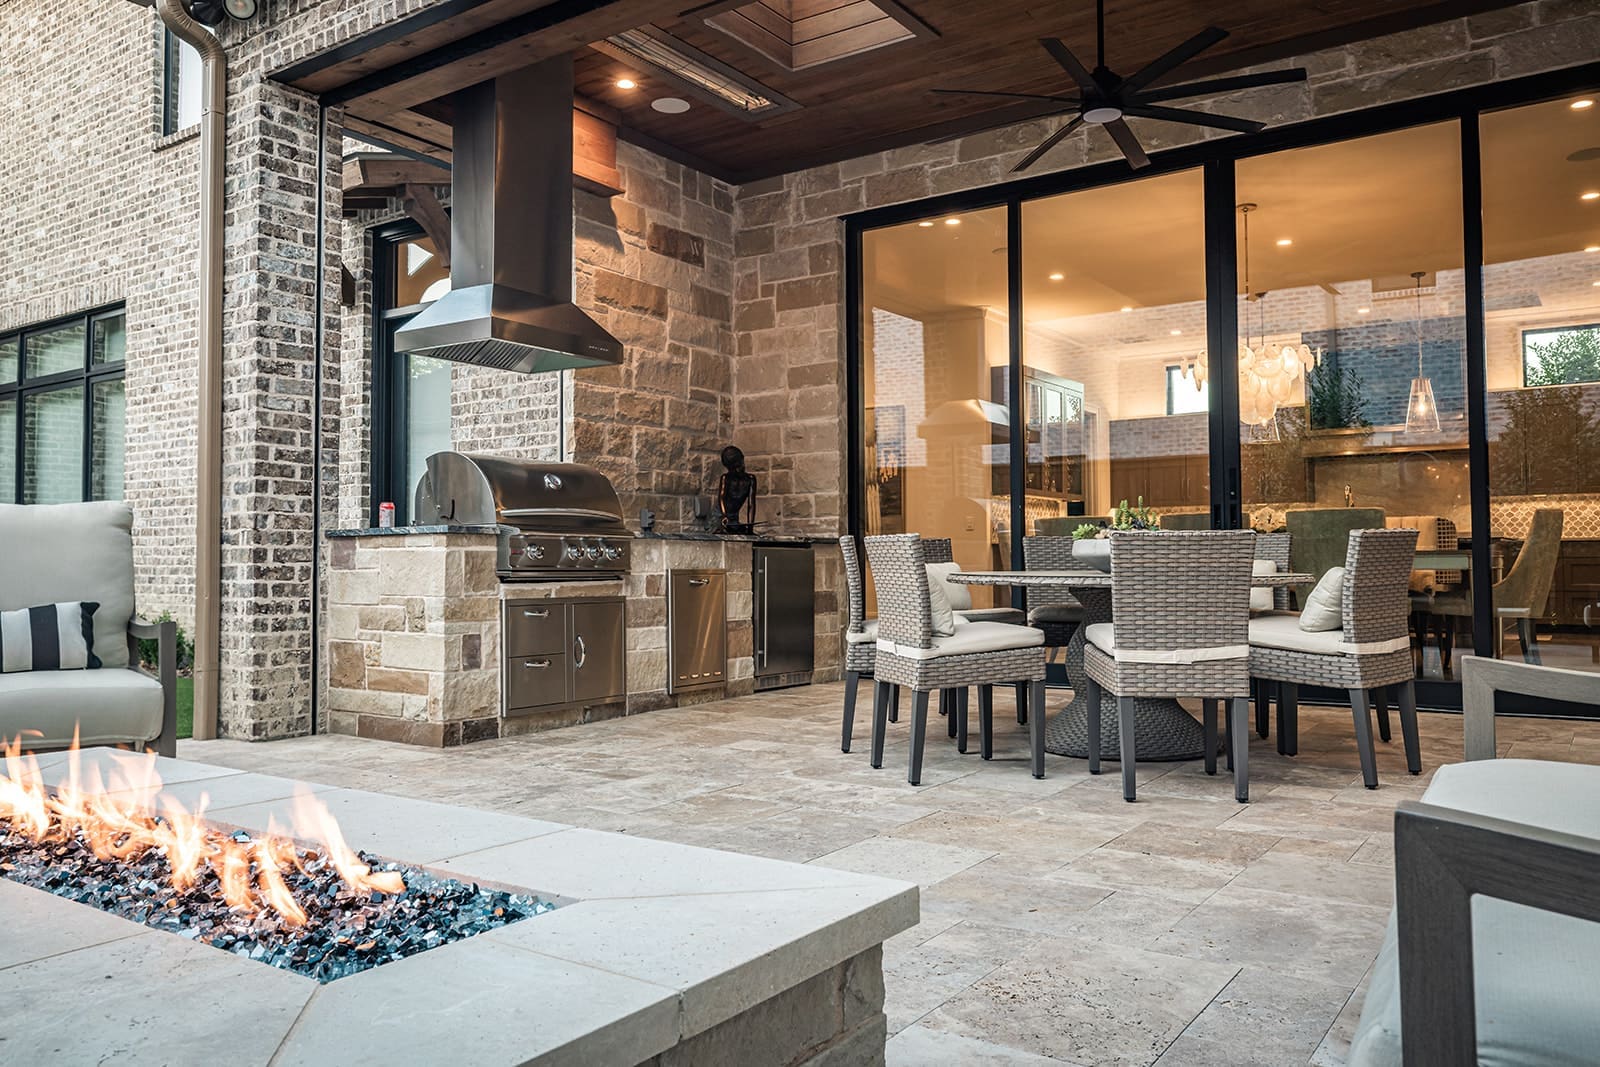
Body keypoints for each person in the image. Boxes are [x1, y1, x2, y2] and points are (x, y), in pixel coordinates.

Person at [717, 445, 757, 534]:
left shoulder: (750, 479)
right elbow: (721, 499)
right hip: (720, 516)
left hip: (733, 519)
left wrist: (750, 527)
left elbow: (751, 505)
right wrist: (724, 515)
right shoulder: (725, 478)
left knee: (738, 531)